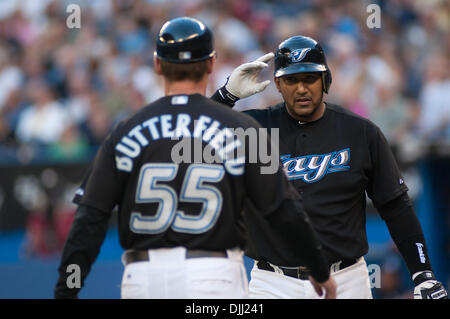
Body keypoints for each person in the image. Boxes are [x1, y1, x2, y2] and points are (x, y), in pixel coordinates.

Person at [54, 18, 336, 299]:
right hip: (213, 276)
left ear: (157, 64)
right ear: (211, 64)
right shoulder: (243, 129)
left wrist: (65, 292)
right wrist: (319, 269)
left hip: (143, 278)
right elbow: (284, 210)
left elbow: (89, 220)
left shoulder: (126, 131)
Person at [212, 35, 448, 299]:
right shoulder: (254, 128)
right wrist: (224, 96)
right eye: (291, 79)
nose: (301, 88)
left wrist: (423, 274)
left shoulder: (360, 132)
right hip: (272, 282)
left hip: (347, 279)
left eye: (309, 78)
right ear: (277, 83)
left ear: (325, 80)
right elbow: (183, 148)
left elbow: (396, 207)